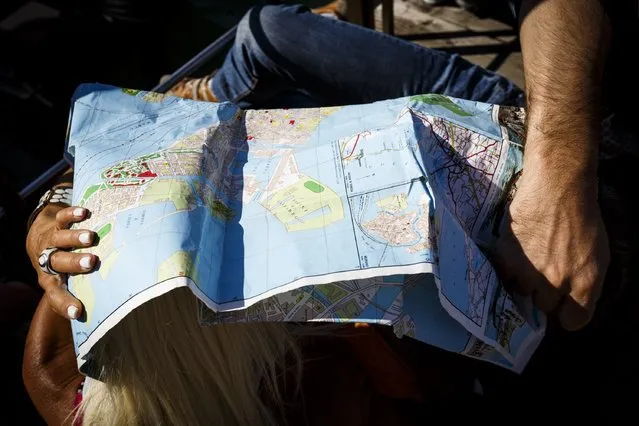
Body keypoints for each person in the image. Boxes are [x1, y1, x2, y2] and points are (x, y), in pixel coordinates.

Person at [23, 0, 637, 421]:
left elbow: (54, 328)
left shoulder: (77, 397)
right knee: (269, 35)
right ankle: (213, 95)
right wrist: (563, 173)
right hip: (530, 170)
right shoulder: (333, 397)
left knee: (269, 41)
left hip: (494, 165)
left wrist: (52, 217)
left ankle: (213, 96)